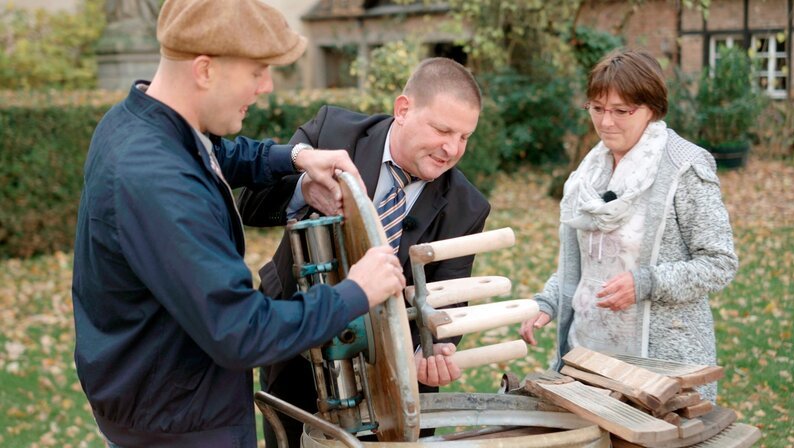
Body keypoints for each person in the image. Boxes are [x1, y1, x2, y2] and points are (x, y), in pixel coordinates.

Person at [71, 1, 405, 447]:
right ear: (205, 70)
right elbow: (243, 331)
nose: (266, 86)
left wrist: (297, 158)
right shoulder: (157, 179)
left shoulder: (138, 125)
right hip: (180, 430)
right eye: (257, 71)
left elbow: (216, 154)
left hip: (163, 403)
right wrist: (355, 293)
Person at [237, 57, 490, 446]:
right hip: (296, 348)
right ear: (403, 109)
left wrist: (435, 349)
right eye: (442, 129)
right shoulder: (332, 131)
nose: (451, 148)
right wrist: (303, 188)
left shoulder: (468, 206)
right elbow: (250, 206)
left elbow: (449, 298)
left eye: (464, 137)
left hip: (387, 377)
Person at [519, 48, 738, 401]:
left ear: (652, 108)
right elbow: (587, 262)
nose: (606, 122)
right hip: (588, 356)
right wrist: (548, 302)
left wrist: (646, 283)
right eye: (597, 108)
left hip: (663, 370)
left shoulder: (686, 168)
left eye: (622, 111)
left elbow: (719, 264)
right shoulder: (588, 173)